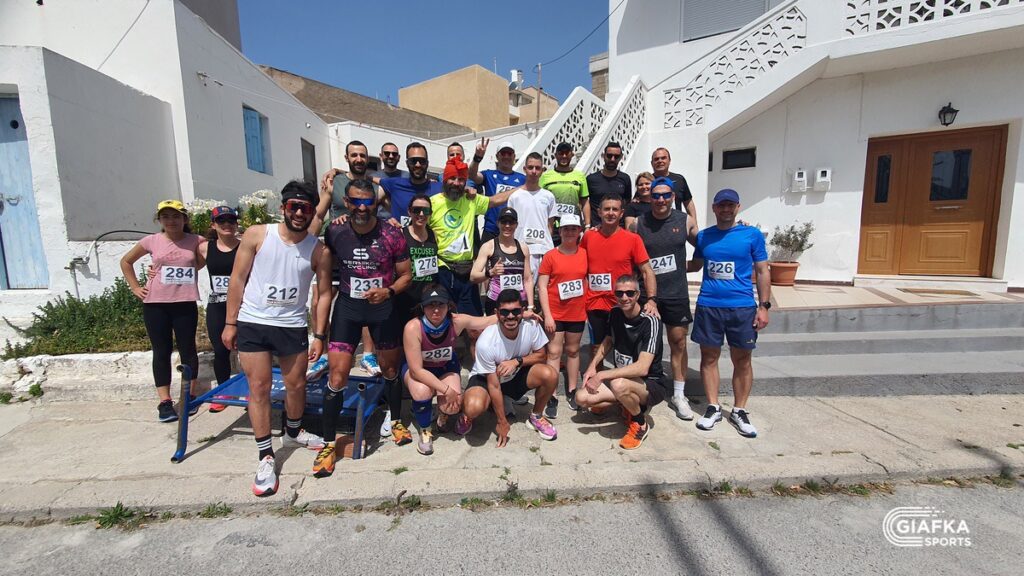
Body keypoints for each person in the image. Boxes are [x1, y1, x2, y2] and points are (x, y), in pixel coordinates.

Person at [221, 181, 331, 496]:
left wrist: (319, 334)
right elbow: (237, 279)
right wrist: (230, 323)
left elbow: (324, 294)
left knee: (296, 385)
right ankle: (265, 455)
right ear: (283, 208)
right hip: (254, 322)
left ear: (312, 212)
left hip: (291, 326)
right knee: (259, 388)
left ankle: (293, 432)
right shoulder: (257, 235)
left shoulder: (319, 250)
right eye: (293, 207)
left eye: (305, 208)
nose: (299, 213)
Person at [313, 179, 413, 478]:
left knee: (390, 369)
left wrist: (389, 291)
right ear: (346, 202)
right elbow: (322, 266)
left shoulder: (392, 233)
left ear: (374, 203)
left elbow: (406, 275)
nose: (361, 207)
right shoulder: (335, 231)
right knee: (337, 375)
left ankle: (396, 421)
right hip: (348, 308)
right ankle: (328, 444)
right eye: (355, 201)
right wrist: (319, 332)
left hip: (382, 307)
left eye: (367, 201)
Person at [687, 188, 770, 438]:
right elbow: (696, 265)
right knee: (708, 358)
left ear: (737, 207)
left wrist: (764, 307)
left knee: (742, 360)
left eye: (730, 205)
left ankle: (739, 410)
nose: (725, 209)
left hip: (742, 307)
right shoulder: (704, 237)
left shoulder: (752, 235)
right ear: (714, 208)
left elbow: (763, 271)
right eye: (721, 205)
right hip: (709, 305)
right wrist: (663, 265)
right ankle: (713, 407)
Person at [120, 200, 205, 423]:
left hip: (184, 302)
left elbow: (203, 261)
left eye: (176, 216)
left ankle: (189, 396)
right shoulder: (151, 241)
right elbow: (126, 261)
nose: (171, 221)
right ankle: (165, 401)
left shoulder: (196, 240)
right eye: (165, 216)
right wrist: (135, 287)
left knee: (188, 349)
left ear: (185, 219)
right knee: (161, 351)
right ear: (159, 220)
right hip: (155, 303)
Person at [315, 140, 384, 377]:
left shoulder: (374, 185)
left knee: (367, 297)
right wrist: (306, 242)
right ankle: (322, 354)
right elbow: (320, 212)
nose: (359, 159)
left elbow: (392, 205)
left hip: (365, 251)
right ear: (347, 158)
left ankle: (368, 355)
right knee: (321, 298)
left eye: (362, 155)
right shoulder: (334, 182)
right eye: (354, 155)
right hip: (336, 250)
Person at [576, 275, 669, 450]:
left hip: (650, 384)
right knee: (581, 398)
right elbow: (608, 341)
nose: (624, 297)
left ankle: (640, 423)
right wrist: (592, 367)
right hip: (623, 378)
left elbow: (643, 368)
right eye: (619, 293)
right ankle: (626, 403)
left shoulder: (651, 320)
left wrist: (602, 374)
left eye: (630, 293)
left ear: (637, 294)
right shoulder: (615, 313)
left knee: (618, 384)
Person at [401, 285, 496, 455]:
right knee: (422, 392)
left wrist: (522, 313)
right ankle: (425, 430)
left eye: (441, 304)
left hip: (445, 366)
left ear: (448, 306)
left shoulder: (457, 321)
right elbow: (416, 371)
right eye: (431, 305)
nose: (436, 310)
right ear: (422, 307)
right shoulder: (413, 327)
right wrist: (445, 389)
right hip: (420, 370)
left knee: (453, 405)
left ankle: (442, 414)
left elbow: (487, 321)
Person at [633, 177, 699, 420]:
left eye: (665, 195)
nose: (660, 199)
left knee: (678, 342)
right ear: (649, 197)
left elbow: (706, 246)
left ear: (672, 197)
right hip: (646, 295)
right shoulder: (638, 223)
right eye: (656, 195)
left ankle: (679, 395)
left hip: (676, 293)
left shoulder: (685, 221)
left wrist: (689, 267)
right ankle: (641, 389)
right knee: (644, 344)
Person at [463, 289, 559, 446]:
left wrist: (516, 361)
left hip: (513, 375)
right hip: (486, 379)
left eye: (515, 311)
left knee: (550, 374)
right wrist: (502, 421)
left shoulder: (531, 326)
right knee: (473, 407)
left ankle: (535, 416)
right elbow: (493, 385)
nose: (510, 316)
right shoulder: (486, 341)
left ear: (522, 311)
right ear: (496, 313)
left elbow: (542, 355)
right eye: (504, 312)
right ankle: (468, 412)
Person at [429, 157, 518, 317]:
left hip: (467, 271)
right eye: (452, 178)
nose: (456, 183)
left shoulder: (471, 200)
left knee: (474, 322)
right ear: (444, 179)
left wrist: (523, 188)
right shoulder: (433, 203)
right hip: (443, 269)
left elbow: (494, 201)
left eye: (461, 180)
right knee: (443, 319)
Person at [580, 194, 658, 366]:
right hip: (595, 302)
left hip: (623, 302)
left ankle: (626, 380)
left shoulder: (633, 239)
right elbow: (579, 266)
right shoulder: (588, 236)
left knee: (626, 348)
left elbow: (647, 270)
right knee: (596, 348)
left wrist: (652, 299)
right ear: (599, 212)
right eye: (606, 209)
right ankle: (595, 379)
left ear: (622, 213)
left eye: (615, 209)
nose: (610, 213)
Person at [537, 212, 587, 413]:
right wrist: (547, 315)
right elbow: (542, 286)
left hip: (577, 312)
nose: (569, 232)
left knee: (573, 351)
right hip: (555, 313)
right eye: (566, 229)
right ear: (560, 231)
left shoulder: (585, 254)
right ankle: (551, 394)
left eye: (573, 229)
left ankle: (572, 390)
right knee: (554, 352)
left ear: (579, 231)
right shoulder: (550, 255)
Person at [200, 205, 240, 413]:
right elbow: (186, 265)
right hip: (217, 304)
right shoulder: (204, 248)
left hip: (243, 305)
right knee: (220, 350)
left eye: (231, 220)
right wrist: (155, 271)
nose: (227, 224)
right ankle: (223, 391)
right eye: (221, 221)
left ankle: (252, 390)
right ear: (213, 225)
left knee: (249, 350)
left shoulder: (245, 247)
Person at [471, 207, 536, 317]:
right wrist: (490, 272)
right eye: (504, 222)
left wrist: (530, 306)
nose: (507, 226)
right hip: (496, 302)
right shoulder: (488, 246)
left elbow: (528, 279)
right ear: (498, 223)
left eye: (511, 222)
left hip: (518, 302)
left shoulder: (523, 248)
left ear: (516, 225)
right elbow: (473, 276)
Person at [506, 152, 556, 279]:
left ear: (542, 171)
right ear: (524, 169)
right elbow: (509, 226)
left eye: (537, 168)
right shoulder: (514, 197)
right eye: (530, 167)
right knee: (523, 289)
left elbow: (550, 226)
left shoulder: (549, 196)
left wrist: (546, 247)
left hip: (544, 251)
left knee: (543, 289)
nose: (534, 171)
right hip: (521, 250)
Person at [468, 139, 525, 246]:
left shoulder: (523, 179)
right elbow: (472, 175)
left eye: (509, 153)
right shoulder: (489, 174)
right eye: (503, 153)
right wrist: (477, 158)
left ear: (514, 156)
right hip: (491, 230)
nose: (506, 156)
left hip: (513, 230)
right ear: (497, 156)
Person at [379, 142, 442, 227]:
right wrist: (383, 223)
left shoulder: (440, 188)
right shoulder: (394, 184)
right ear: (407, 163)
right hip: (400, 235)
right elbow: (369, 199)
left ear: (427, 163)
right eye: (413, 161)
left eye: (422, 161)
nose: (418, 165)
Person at [539, 141, 590, 241]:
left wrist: (587, 225)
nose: (564, 156)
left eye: (567, 153)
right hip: (552, 227)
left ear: (572, 155)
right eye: (561, 153)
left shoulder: (580, 176)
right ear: (555, 155)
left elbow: (584, 201)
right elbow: (539, 201)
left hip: (572, 226)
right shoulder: (545, 176)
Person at [585, 142, 631, 226]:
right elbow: (584, 203)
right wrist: (587, 225)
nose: (612, 159)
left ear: (621, 157)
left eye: (616, 156)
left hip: (618, 227)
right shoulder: (591, 179)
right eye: (609, 156)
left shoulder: (625, 178)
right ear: (603, 156)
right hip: (595, 227)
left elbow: (627, 202)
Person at [650, 147, 697, 224]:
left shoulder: (679, 179)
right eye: (656, 159)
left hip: (676, 224)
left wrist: (694, 223)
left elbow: (688, 202)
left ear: (669, 161)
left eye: (663, 158)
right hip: (652, 225)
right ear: (652, 163)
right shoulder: (647, 182)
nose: (660, 161)